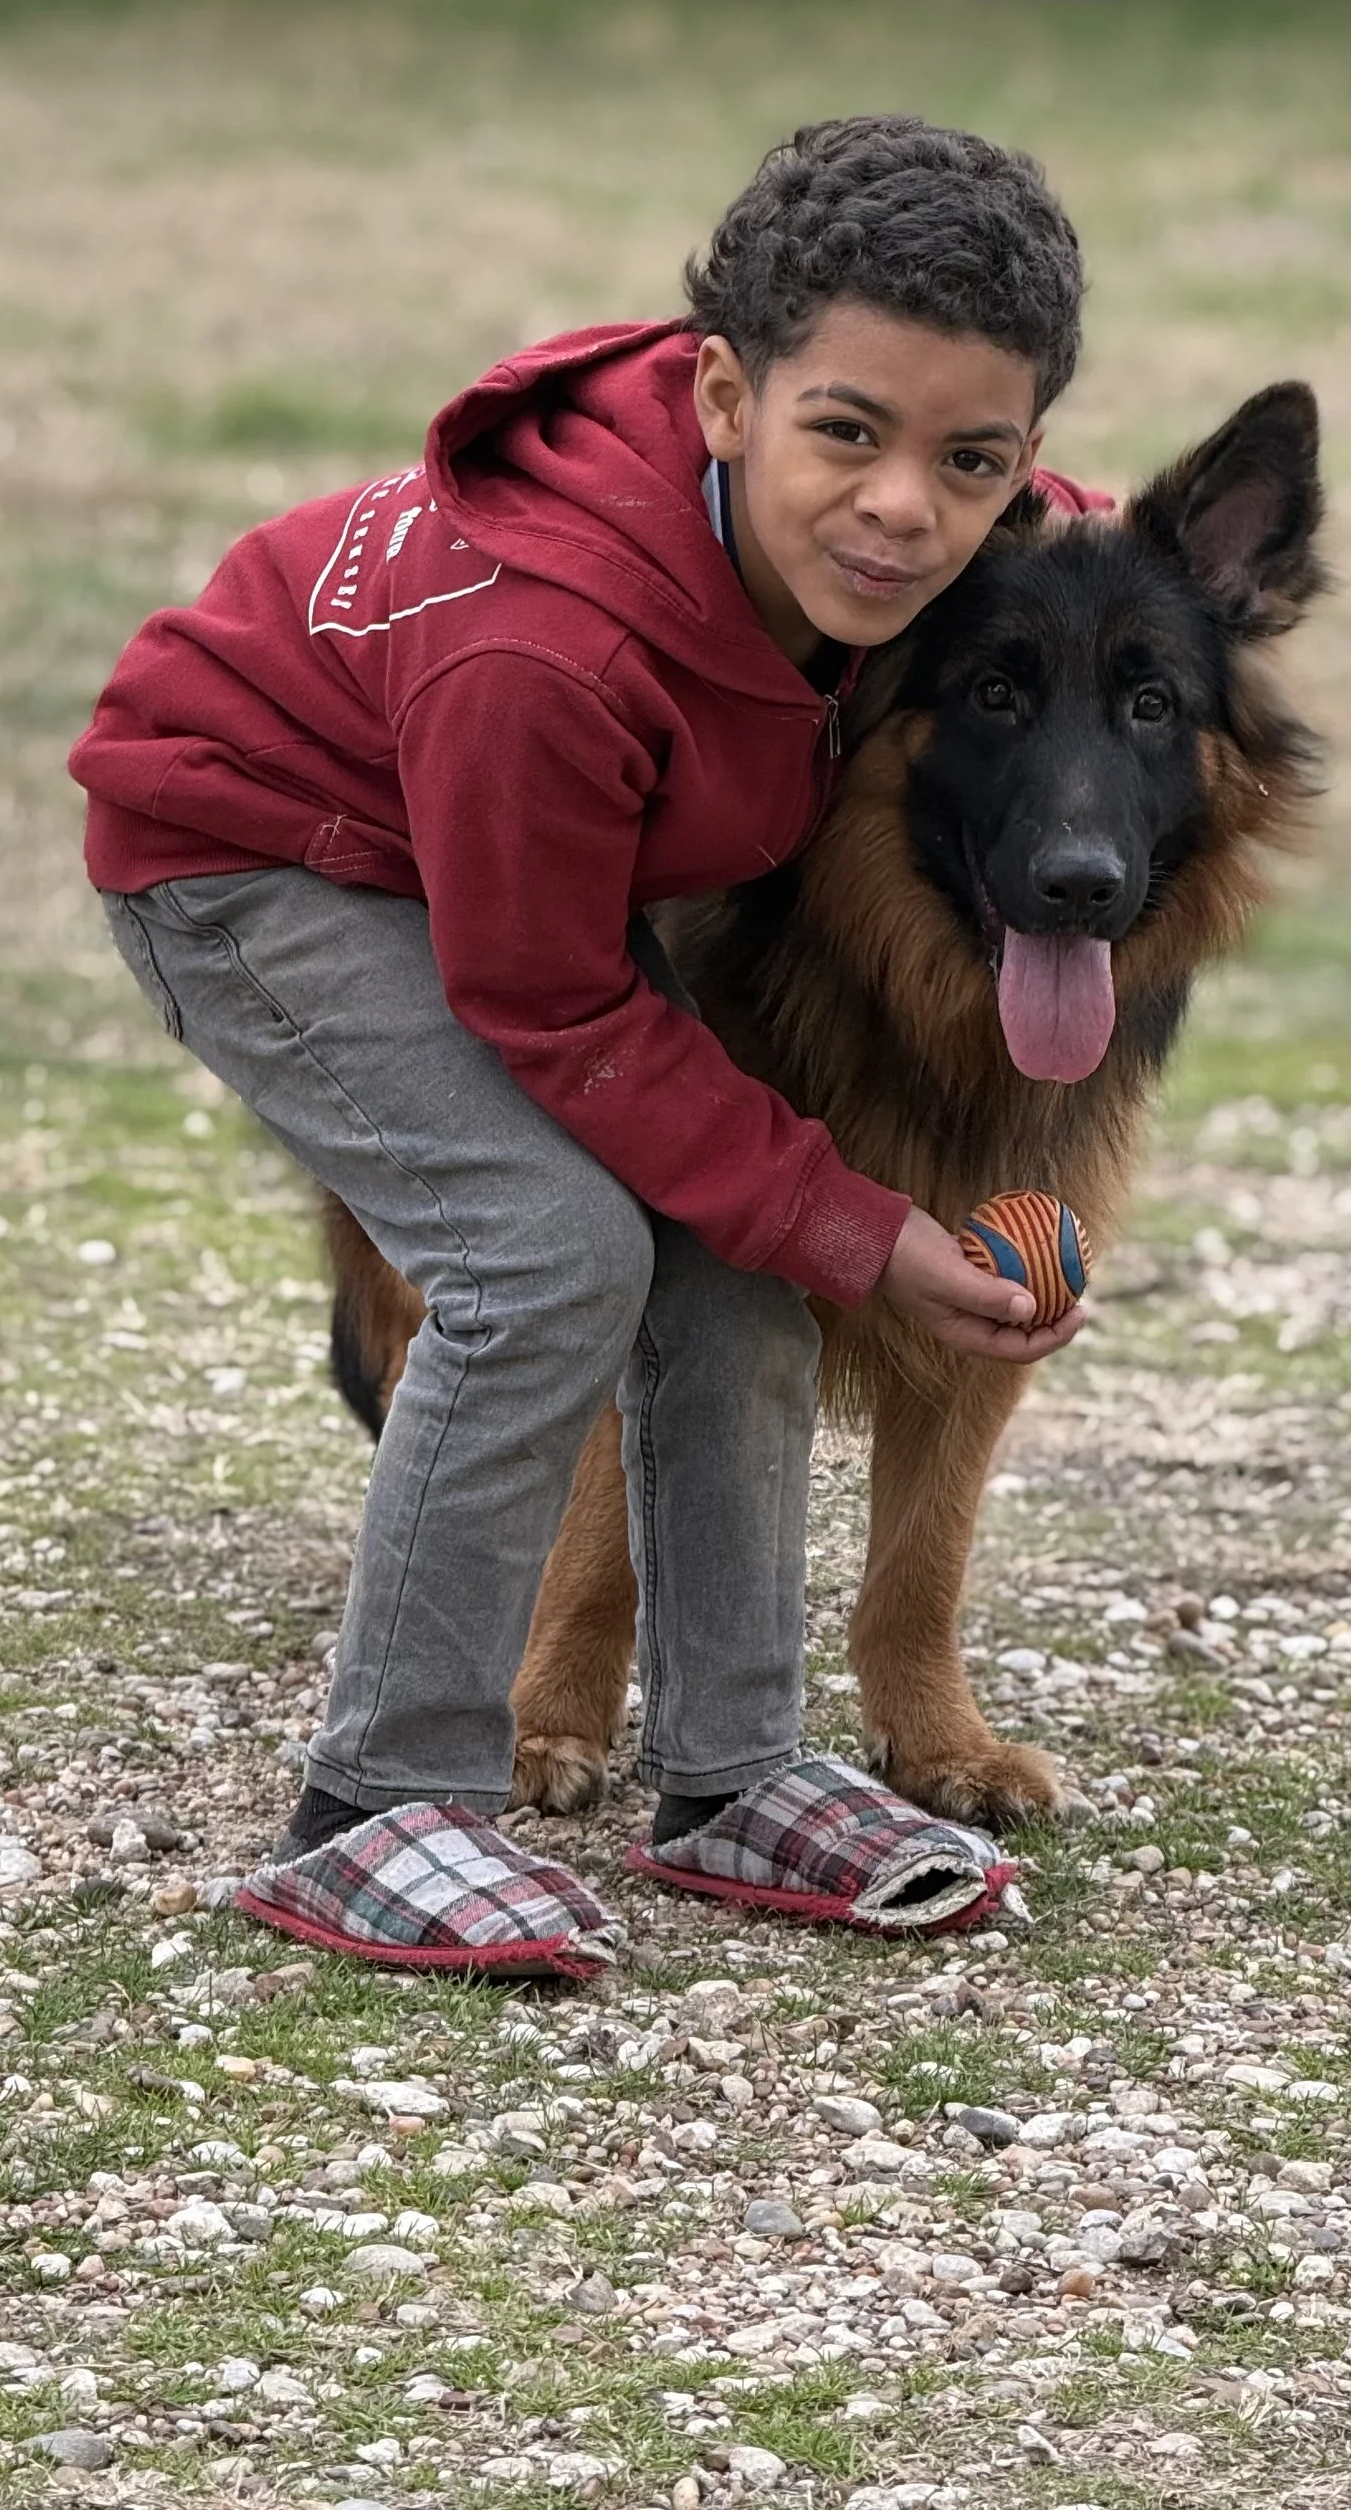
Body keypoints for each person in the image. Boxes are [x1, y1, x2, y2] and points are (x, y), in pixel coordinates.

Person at [71, 114, 1098, 1974]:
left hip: (512, 862)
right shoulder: (545, 644)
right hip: (260, 856)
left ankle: (736, 1772)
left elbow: (1058, 538)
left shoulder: (909, 539)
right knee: (546, 1256)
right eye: (846, 434)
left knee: (735, 1250)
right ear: (722, 395)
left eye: (972, 461)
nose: (901, 510)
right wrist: (869, 1227)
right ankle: (377, 1802)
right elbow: (551, 1005)